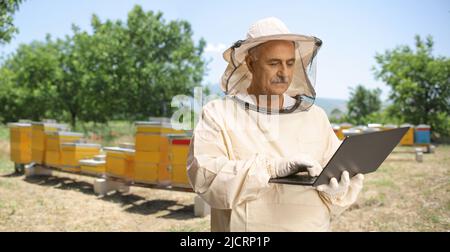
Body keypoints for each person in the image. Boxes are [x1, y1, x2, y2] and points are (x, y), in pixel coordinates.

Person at [187, 17, 364, 232]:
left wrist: (339, 188)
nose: (284, 73)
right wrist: (272, 168)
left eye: (290, 63)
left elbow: (338, 168)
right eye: (274, 63)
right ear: (251, 63)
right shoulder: (219, 113)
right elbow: (205, 176)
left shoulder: (316, 116)